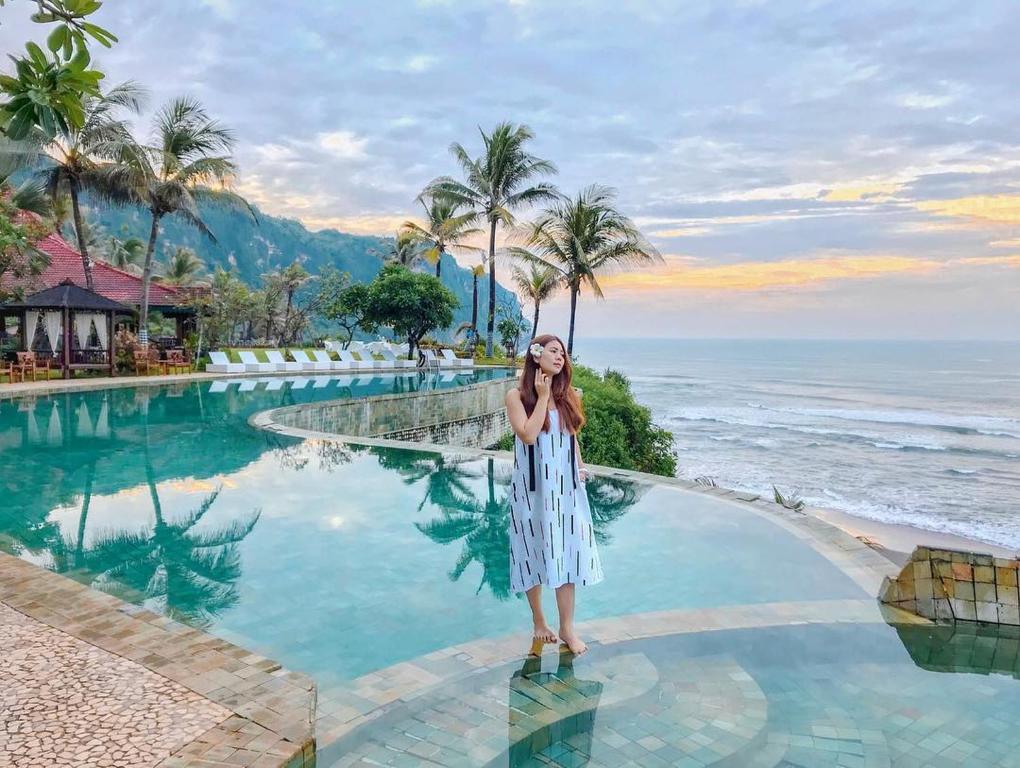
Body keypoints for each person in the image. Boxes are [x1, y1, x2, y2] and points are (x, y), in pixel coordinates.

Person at [505, 333, 603, 656]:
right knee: (530, 551)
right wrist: (543, 396)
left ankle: (567, 628)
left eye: (562, 353)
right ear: (536, 356)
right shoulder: (516, 397)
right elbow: (528, 435)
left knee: (567, 554)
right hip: (531, 491)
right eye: (552, 351)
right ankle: (539, 621)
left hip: (564, 492)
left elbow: (571, 437)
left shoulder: (569, 395)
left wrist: (580, 466)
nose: (560, 357)